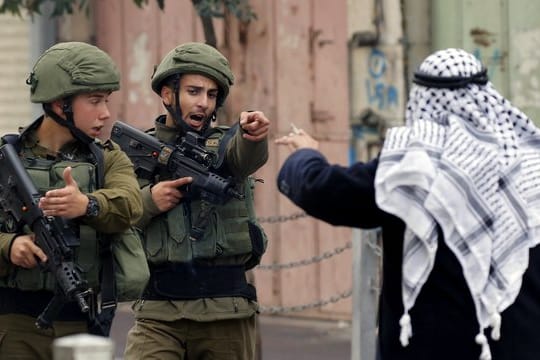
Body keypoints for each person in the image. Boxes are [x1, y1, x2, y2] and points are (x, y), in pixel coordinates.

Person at [276, 48, 540, 360]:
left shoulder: (408, 170)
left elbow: (322, 189)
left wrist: (305, 153)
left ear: (421, 99)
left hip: (429, 346)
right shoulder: (529, 165)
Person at [123, 42, 269, 360]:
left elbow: (244, 156)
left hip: (225, 313)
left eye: (212, 94)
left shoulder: (226, 145)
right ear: (167, 94)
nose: (203, 103)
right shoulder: (134, 151)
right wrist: (150, 200)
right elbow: (112, 214)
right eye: (193, 91)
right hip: (159, 312)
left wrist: (253, 135)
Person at [0, 42, 143, 359]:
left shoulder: (108, 159)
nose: (105, 113)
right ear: (58, 103)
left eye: (106, 100)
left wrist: (88, 205)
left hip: (82, 325)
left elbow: (131, 204)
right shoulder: (7, 160)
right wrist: (9, 246)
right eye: (94, 101)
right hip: (12, 326)